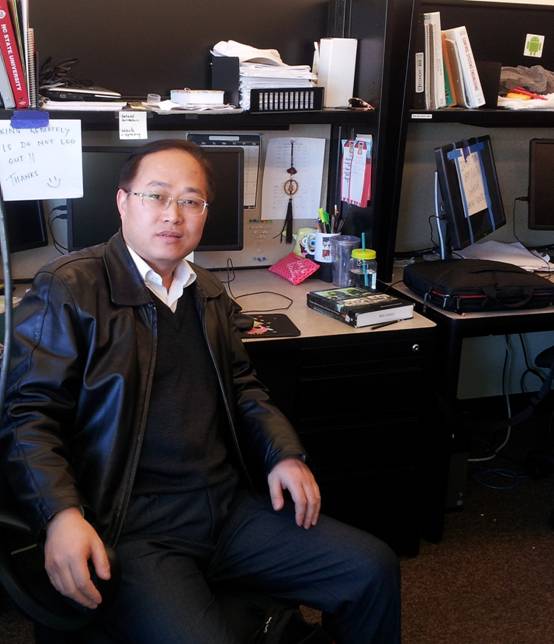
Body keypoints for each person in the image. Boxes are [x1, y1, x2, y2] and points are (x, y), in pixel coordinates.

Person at [1, 139, 400, 643]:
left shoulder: (207, 292)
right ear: (123, 201)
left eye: (191, 201)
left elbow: (243, 387)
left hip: (224, 507)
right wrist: (61, 515)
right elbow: (27, 416)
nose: (173, 215)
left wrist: (283, 454)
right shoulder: (69, 287)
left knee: (370, 570)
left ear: (205, 213)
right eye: (156, 196)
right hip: (132, 524)